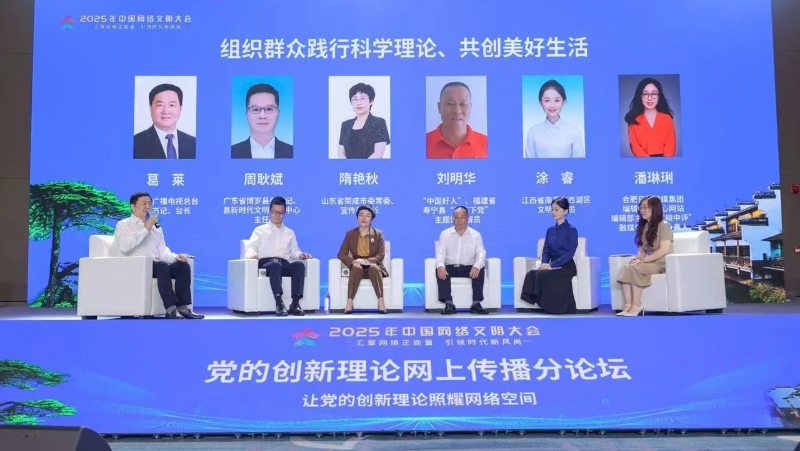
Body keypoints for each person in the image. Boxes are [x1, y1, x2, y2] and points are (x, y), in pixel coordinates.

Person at [113, 192, 203, 319]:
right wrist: (145, 228)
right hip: (136, 266)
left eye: (149, 204)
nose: (147, 207)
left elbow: (163, 251)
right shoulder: (123, 224)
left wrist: (176, 257)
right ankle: (170, 308)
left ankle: (183, 307)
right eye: (144, 204)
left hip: (157, 267)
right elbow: (124, 247)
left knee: (182, 266)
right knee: (161, 266)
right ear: (132, 207)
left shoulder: (156, 228)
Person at [244, 196, 312, 316]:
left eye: (280, 213)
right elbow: (251, 247)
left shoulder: (289, 232)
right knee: (275, 265)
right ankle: (279, 303)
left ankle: (295, 304)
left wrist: (301, 255)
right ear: (270, 211)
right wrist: (252, 255)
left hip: (284, 263)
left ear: (284, 213)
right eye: (274, 212)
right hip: (267, 264)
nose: (277, 215)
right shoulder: (259, 230)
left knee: (299, 265)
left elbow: (294, 251)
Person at [616, 196, 674, 317]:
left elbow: (663, 250)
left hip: (662, 263)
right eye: (640, 208)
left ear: (655, 209)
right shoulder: (644, 227)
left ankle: (637, 306)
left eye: (645, 207)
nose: (642, 210)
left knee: (635, 268)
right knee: (627, 268)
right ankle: (628, 306)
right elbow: (642, 251)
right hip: (649, 262)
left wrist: (644, 261)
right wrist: (637, 259)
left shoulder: (664, 226)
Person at [519, 197, 578, 314]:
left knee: (544, 275)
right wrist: (545, 263)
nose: (553, 212)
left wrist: (552, 265)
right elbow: (546, 250)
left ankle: (553, 307)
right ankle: (535, 302)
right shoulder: (550, 230)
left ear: (566, 211)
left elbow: (570, 253)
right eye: (552, 209)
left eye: (557, 209)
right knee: (532, 274)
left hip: (566, 265)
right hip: (552, 264)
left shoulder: (572, 230)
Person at [435, 207, 489, 315]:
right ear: (452, 219)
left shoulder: (476, 235)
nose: (459, 220)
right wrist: (440, 266)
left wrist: (477, 266)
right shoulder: (445, 234)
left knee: (480, 268)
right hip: (451, 267)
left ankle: (476, 303)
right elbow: (440, 253)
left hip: (468, 268)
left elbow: (481, 253)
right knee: (440, 269)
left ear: (467, 218)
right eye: (456, 217)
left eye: (462, 218)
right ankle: (449, 303)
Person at [336, 205, 388, 313]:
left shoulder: (378, 234)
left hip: (373, 265)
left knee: (374, 268)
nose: (364, 218)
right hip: (357, 266)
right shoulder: (350, 234)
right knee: (356, 268)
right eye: (361, 215)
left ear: (372, 219)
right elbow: (341, 254)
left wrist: (365, 261)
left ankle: (381, 301)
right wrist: (353, 262)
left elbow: (380, 255)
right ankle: (349, 302)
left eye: (367, 216)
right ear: (357, 217)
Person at [524, 79, 585, 158]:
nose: (552, 105)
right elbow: (529, 163)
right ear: (541, 102)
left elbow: (579, 162)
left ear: (563, 102)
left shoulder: (573, 131)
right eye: (547, 100)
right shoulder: (533, 132)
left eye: (557, 100)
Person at [134, 84, 196, 159]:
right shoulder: (135, 143)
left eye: (171, 105)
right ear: (150, 108)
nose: (166, 111)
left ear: (180, 108)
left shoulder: (194, 143)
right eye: (160, 105)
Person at [427, 82, 488, 159]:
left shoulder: (486, 143)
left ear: (470, 108)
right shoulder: (423, 142)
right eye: (450, 104)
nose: (457, 111)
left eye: (463, 104)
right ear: (439, 107)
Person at [231, 83, 294, 159]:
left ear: (278, 113)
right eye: (255, 109)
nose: (262, 116)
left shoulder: (293, 152)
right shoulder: (231, 152)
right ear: (246, 114)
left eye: (269, 109)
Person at [624, 77, 676, 157]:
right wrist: (648, 162)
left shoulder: (667, 119)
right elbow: (634, 146)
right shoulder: (633, 120)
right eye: (645, 94)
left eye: (654, 94)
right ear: (640, 96)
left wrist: (665, 162)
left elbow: (671, 145)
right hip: (642, 161)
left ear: (659, 96)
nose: (650, 98)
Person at [337, 83, 390, 159]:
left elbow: (378, 154)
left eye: (362, 98)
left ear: (371, 101)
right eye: (355, 99)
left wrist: (362, 166)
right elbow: (341, 152)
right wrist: (346, 165)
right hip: (347, 167)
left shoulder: (379, 123)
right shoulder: (345, 125)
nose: (358, 103)